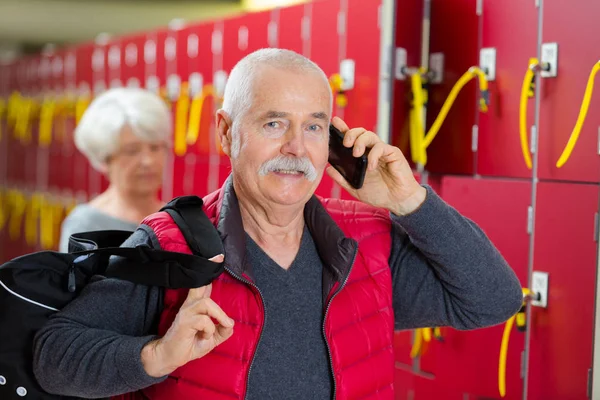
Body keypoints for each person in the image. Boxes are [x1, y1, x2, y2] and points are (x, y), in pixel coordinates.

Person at [33, 49, 523, 400]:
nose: (296, 146)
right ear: (227, 131)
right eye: (273, 123)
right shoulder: (169, 245)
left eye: (313, 126)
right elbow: (54, 357)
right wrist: (158, 355)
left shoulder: (368, 243)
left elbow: (492, 299)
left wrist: (411, 201)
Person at [57, 87, 170, 252]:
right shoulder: (85, 225)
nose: (148, 161)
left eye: (155, 148)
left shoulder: (175, 219)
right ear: (105, 159)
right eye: (132, 151)